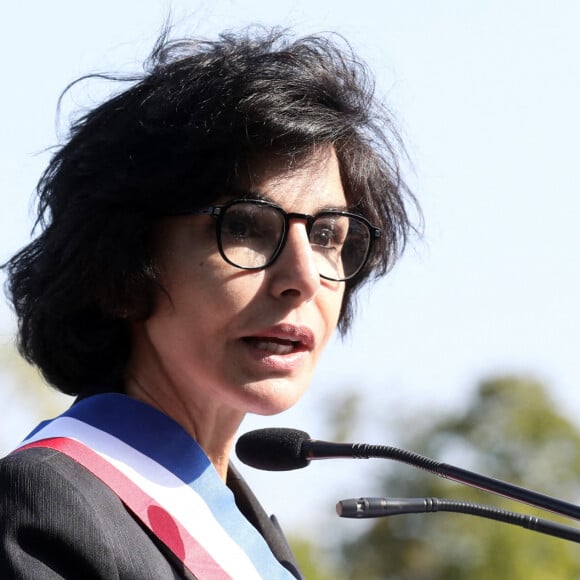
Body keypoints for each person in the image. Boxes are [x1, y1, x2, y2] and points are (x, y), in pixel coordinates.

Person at [0, 25, 416, 579]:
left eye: (327, 234)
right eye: (245, 226)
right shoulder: (43, 509)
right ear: (123, 268)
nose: (303, 278)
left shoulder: (254, 541)